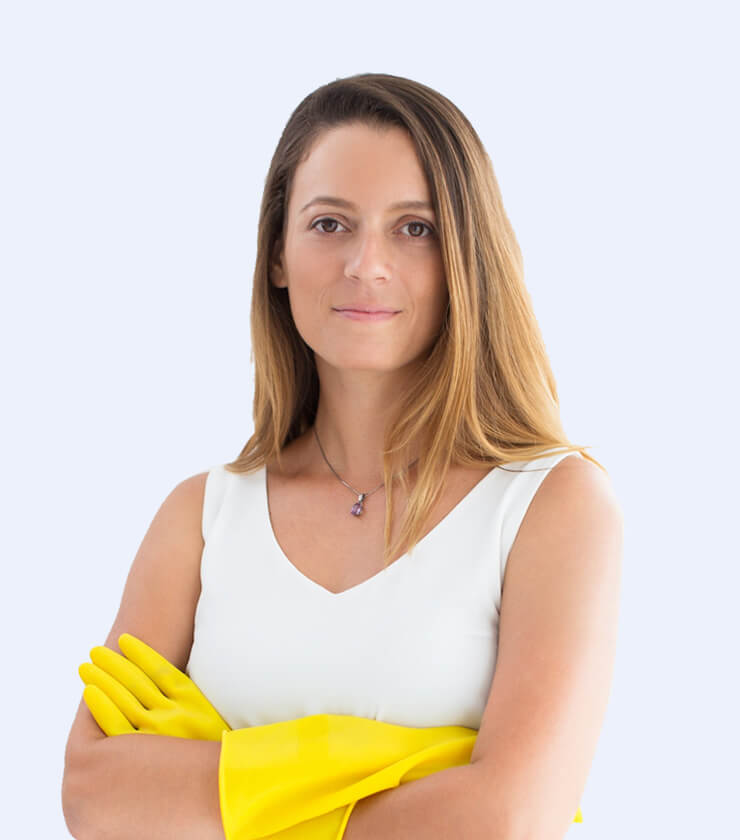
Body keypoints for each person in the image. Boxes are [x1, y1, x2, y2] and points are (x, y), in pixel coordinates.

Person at [62, 73, 623, 840]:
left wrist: (224, 780)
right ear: (277, 254)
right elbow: (94, 795)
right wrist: (419, 773)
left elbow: (507, 819)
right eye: (329, 224)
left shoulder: (553, 506)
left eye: (415, 228)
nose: (366, 264)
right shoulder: (200, 517)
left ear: (467, 257)